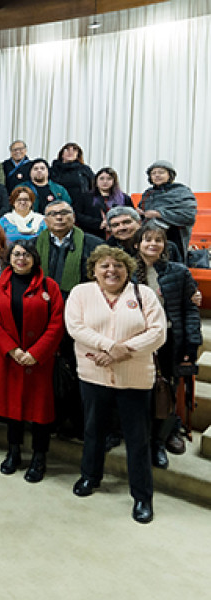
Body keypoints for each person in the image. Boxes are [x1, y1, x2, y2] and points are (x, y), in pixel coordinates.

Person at [65, 245, 166, 524]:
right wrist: (111, 347)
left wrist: (125, 350)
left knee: (137, 439)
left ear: (128, 269)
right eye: (104, 266)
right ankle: (90, 477)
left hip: (135, 378)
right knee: (93, 430)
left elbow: (158, 332)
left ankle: (143, 496)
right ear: (94, 270)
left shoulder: (142, 294)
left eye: (118, 266)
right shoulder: (81, 293)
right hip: (93, 375)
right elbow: (75, 327)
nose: (112, 271)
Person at [0, 239, 64, 482]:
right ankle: (14, 452)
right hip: (10, 359)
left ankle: (39, 457)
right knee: (12, 410)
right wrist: (12, 349)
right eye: (17, 254)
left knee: (40, 413)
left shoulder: (49, 286)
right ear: (9, 257)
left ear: (34, 258)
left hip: (39, 362)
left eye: (27, 254)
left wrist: (36, 353)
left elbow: (57, 323)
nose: (21, 258)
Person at [133, 223, 202, 468]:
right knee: (137, 393)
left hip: (169, 341)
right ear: (137, 244)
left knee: (166, 393)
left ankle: (158, 442)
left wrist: (192, 344)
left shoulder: (178, 271)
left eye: (158, 240)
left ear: (164, 245)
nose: (152, 244)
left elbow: (190, 310)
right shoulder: (125, 270)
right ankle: (138, 440)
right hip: (136, 343)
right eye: (147, 240)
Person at [35, 199, 104, 440]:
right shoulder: (35, 245)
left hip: (82, 321)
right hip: (45, 320)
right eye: (53, 214)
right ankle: (52, 419)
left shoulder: (93, 245)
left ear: (74, 217)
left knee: (79, 373)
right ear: (45, 221)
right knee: (49, 373)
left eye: (65, 213)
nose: (60, 218)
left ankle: (79, 423)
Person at [139, 160, 197, 259]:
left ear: (170, 175)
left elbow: (189, 216)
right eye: (153, 173)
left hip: (173, 236)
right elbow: (144, 212)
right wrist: (139, 213)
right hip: (148, 235)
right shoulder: (148, 193)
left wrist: (159, 214)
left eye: (161, 172)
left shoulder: (181, 191)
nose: (157, 175)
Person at [76, 167, 134, 239]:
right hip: (92, 234)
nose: (105, 181)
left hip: (119, 234)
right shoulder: (85, 197)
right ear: (96, 181)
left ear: (114, 181)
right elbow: (78, 215)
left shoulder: (125, 198)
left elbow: (132, 216)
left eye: (109, 178)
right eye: (101, 178)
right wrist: (99, 223)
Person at [50, 142, 94, 210]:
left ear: (78, 155)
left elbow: (94, 186)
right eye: (67, 149)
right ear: (62, 153)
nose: (70, 152)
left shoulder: (85, 169)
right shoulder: (53, 170)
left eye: (74, 150)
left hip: (81, 208)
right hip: (57, 206)